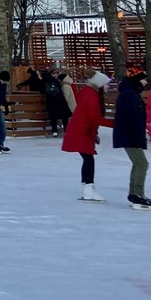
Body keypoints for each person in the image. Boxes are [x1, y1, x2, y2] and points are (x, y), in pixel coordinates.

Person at [62, 71, 114, 202]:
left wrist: (94, 134)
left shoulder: (90, 94)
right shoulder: (91, 96)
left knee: (88, 159)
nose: (108, 87)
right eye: (106, 84)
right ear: (99, 84)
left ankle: (88, 188)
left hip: (82, 131)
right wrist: (116, 124)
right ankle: (88, 189)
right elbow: (95, 117)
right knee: (89, 159)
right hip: (81, 132)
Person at [113, 70, 151, 208]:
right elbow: (132, 117)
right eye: (143, 79)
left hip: (129, 134)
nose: (145, 82)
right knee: (142, 164)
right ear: (137, 80)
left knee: (138, 163)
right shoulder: (130, 95)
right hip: (130, 135)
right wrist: (138, 134)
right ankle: (137, 194)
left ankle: (134, 193)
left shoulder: (130, 93)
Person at [43, 70, 72, 137]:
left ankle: (54, 131)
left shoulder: (43, 82)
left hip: (51, 101)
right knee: (64, 116)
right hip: (60, 100)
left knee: (53, 117)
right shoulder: (55, 80)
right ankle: (66, 130)